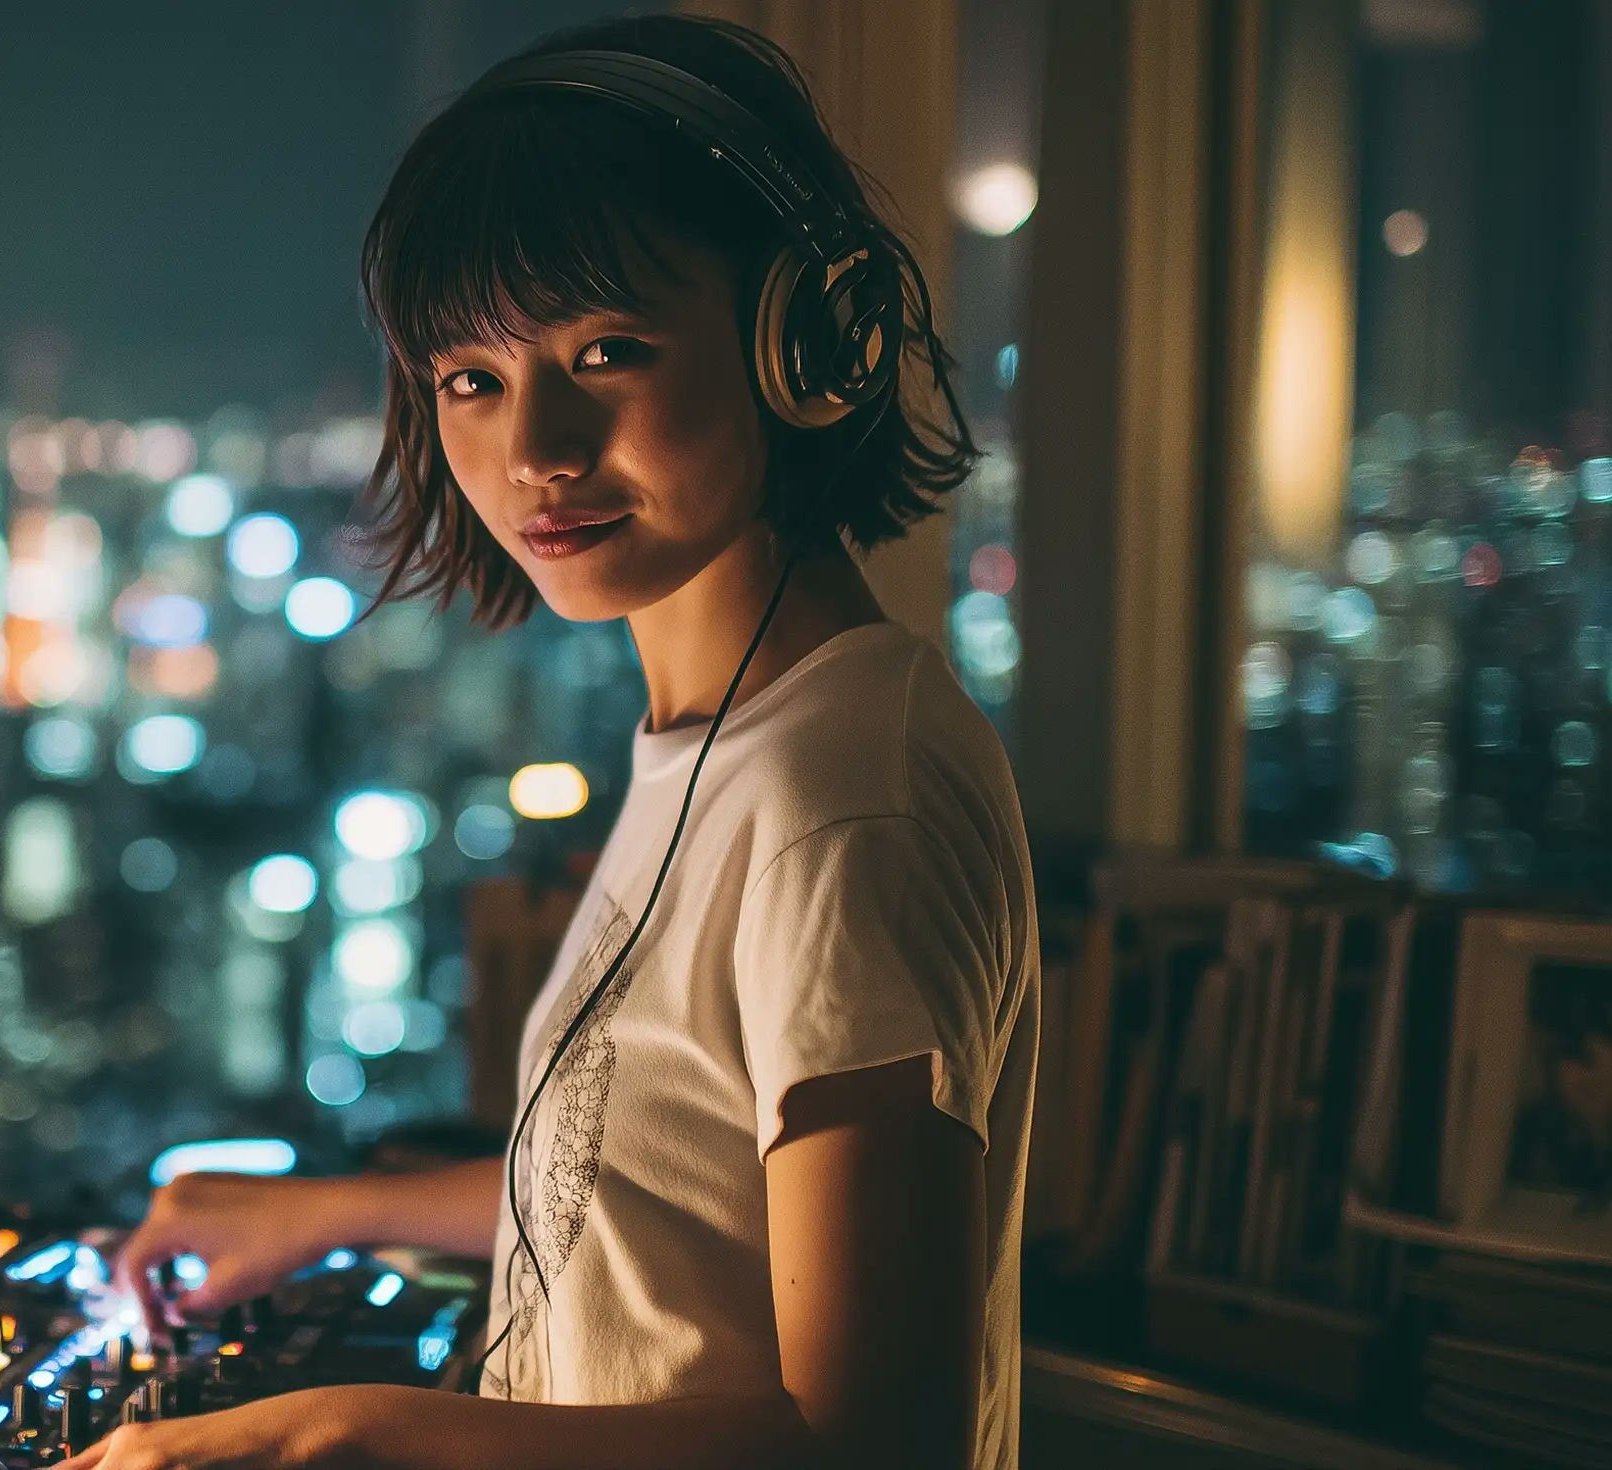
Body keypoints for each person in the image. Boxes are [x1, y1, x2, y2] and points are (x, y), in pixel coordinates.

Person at [60, 14, 1036, 1470]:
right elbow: (657, 1191)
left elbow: (878, 1443)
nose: (537, 451)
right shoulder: (728, 741)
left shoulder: (840, 803)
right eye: (472, 377)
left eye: (609, 350)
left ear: (801, 345)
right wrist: (334, 1212)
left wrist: (350, 1431)